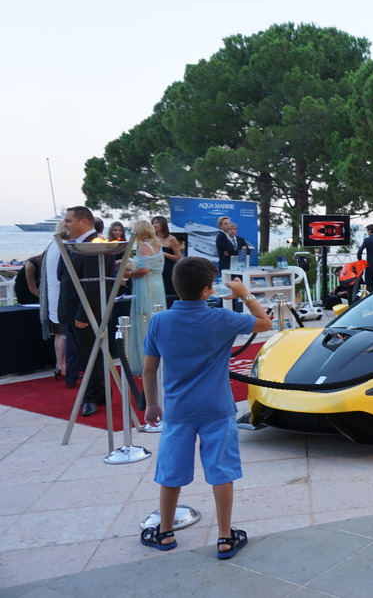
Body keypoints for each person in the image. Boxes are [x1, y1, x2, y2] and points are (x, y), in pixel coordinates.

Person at [140, 256, 271, 558]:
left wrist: (151, 404)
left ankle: (164, 533)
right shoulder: (221, 319)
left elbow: (148, 370)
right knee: (221, 471)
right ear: (206, 290)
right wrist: (244, 294)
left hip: (178, 411)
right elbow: (265, 323)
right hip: (217, 408)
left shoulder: (161, 322)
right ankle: (225, 537)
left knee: (171, 473)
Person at [57, 206, 111, 416]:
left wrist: (83, 315)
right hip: (74, 310)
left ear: (84, 222)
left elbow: (94, 284)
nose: (65, 224)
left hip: (86, 314)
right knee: (87, 355)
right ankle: (99, 394)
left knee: (89, 356)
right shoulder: (79, 245)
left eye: (69, 221)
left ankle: (92, 397)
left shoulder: (94, 245)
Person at [124, 220, 166, 376]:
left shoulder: (143, 246)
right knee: (154, 319)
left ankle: (145, 361)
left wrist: (128, 273)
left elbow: (143, 269)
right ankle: (158, 358)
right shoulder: (157, 245)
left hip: (146, 286)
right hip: (157, 284)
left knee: (144, 318)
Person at [39, 222, 69, 381]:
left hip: (52, 295)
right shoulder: (64, 246)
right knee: (63, 334)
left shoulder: (52, 245)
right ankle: (63, 365)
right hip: (60, 296)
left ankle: (59, 364)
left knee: (58, 334)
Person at [151, 216, 181, 303]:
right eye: (153, 223)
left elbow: (178, 257)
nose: (154, 225)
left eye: (156, 223)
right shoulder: (152, 239)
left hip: (168, 270)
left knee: (169, 294)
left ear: (163, 224)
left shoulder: (171, 239)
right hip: (156, 270)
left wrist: (163, 253)